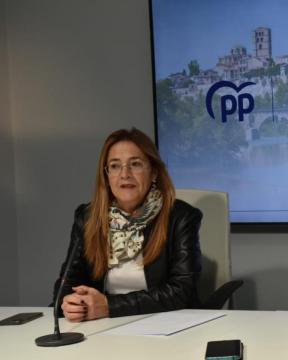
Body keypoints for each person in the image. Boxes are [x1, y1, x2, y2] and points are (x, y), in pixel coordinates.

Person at [53, 128, 202, 321]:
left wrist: (109, 306)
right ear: (106, 176)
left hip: (168, 323)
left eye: (136, 164)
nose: (125, 174)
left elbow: (182, 291)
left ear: (154, 172)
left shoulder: (180, 217)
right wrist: (70, 304)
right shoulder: (88, 217)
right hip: (103, 327)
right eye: (115, 166)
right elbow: (67, 284)